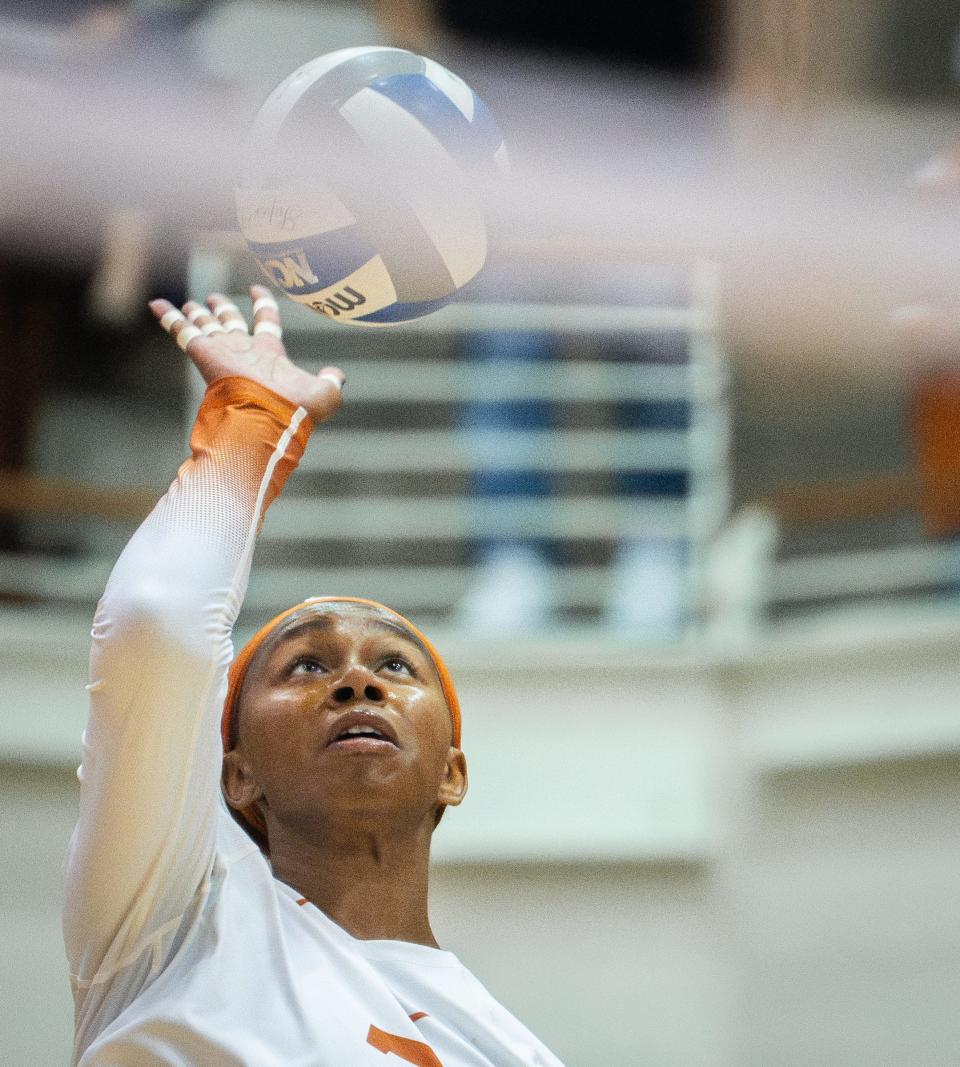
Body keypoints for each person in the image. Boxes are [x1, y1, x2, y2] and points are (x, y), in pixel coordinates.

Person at [63, 284, 564, 1066]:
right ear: (236, 775)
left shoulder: (515, 1053)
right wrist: (253, 414)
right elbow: (155, 628)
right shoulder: (170, 927)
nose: (357, 683)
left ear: (453, 773)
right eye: (306, 664)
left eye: (395, 665)